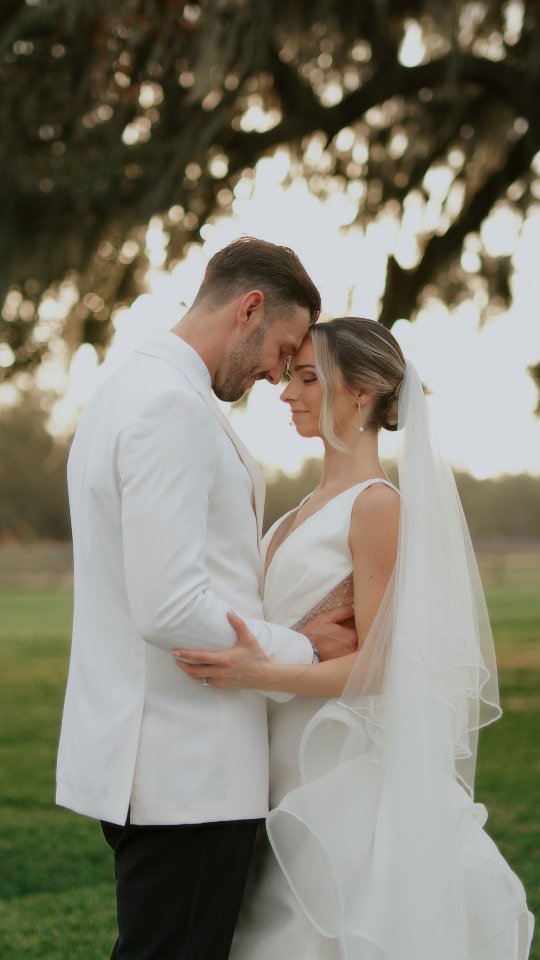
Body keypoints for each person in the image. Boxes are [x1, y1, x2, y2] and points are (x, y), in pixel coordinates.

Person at [175, 318, 534, 959]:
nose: (288, 393)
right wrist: (285, 647)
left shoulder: (376, 507)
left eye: (309, 378)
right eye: (290, 377)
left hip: (333, 768)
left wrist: (262, 672)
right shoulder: (294, 512)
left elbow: (382, 668)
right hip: (275, 760)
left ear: (363, 390)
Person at [56, 238, 358, 960]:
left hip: (159, 759)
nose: (276, 373)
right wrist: (304, 650)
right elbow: (168, 605)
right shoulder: (169, 407)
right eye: (283, 349)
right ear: (249, 308)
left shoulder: (131, 389)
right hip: (185, 765)